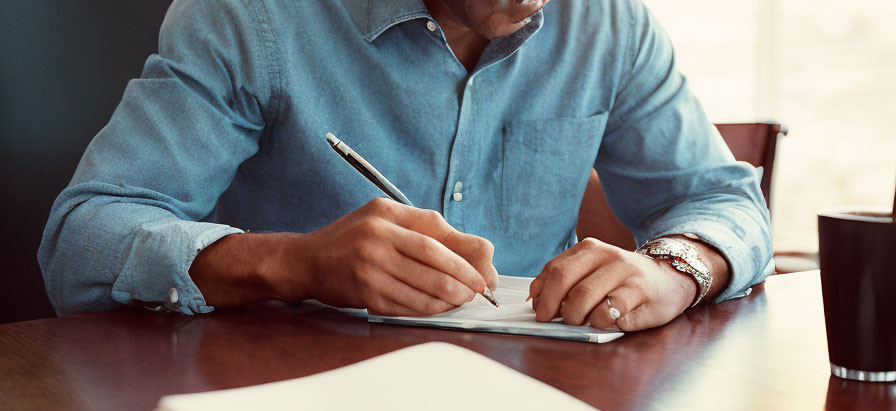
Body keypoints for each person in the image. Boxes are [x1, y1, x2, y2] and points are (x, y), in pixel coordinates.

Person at [39, 0, 774, 332]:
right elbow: (80, 239)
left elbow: (725, 200)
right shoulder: (251, 16)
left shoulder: (609, 25)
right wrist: (294, 265)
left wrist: (676, 269)